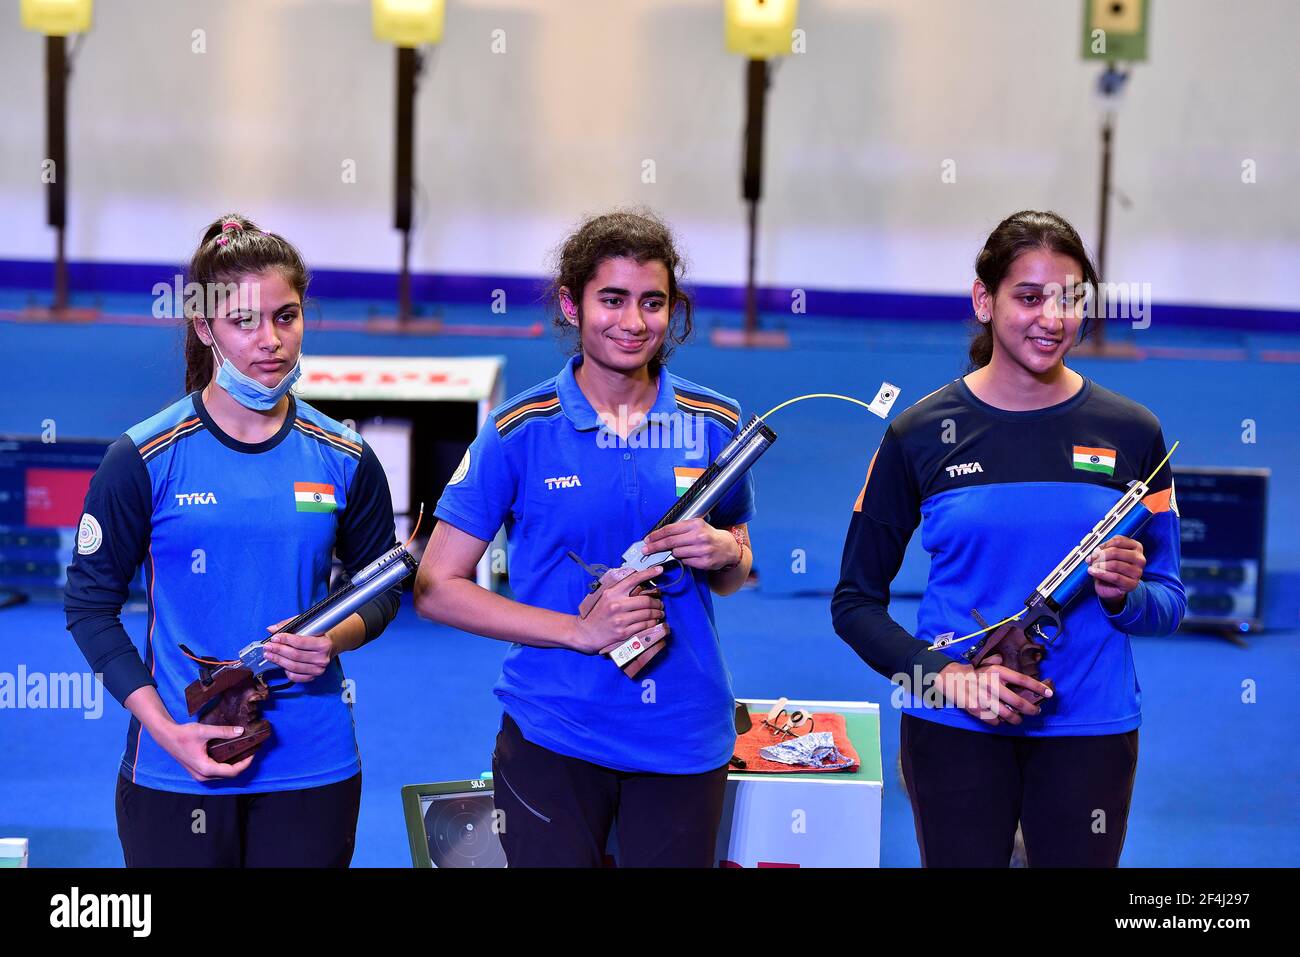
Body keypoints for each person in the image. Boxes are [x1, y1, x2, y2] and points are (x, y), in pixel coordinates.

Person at [832, 210, 1186, 868]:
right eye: (1028, 297)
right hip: (954, 729)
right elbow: (854, 602)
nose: (1052, 318)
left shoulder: (1134, 433)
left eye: (1070, 299)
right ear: (983, 299)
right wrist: (948, 680)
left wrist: (1125, 596)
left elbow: (1169, 600)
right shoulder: (919, 433)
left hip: (1090, 730)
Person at [414, 209, 755, 867]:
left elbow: (738, 562)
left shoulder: (715, 421)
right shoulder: (520, 428)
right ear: (572, 304)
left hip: (683, 734)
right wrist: (578, 630)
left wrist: (729, 552)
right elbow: (435, 587)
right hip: (555, 733)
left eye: (652, 302)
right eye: (613, 299)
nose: (633, 322)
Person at [64, 214, 401, 867]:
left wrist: (334, 636)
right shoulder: (142, 457)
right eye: (245, 320)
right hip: (177, 763)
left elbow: (381, 588)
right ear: (204, 325)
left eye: (287, 315)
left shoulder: (347, 456)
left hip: (314, 765)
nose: (270, 340)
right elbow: (89, 606)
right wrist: (166, 733)